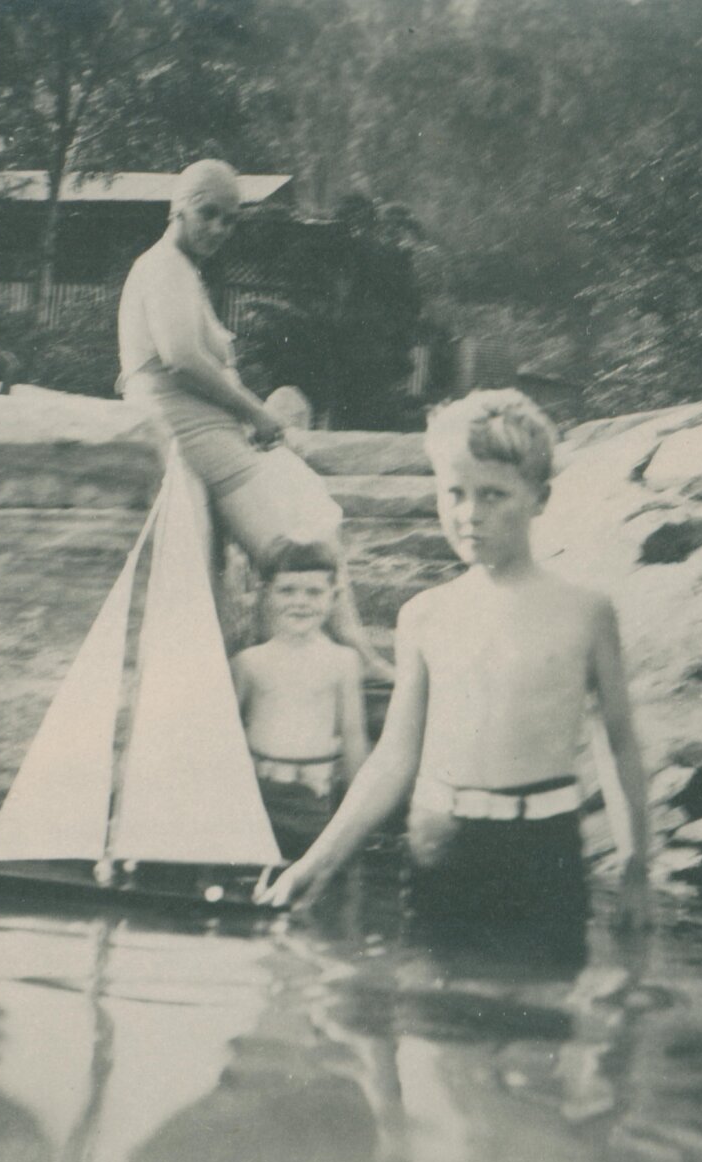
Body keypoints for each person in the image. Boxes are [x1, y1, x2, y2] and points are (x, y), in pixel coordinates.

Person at [256, 389, 650, 937]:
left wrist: (637, 865)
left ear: (540, 497)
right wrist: (317, 862)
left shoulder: (584, 612)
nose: (469, 515)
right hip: (439, 846)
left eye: (493, 495)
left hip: (541, 850)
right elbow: (393, 761)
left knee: (543, 1011)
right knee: (429, 1014)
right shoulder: (425, 616)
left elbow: (619, 742)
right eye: (455, 493)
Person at [116, 157, 391, 680]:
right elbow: (181, 357)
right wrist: (256, 413)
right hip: (192, 434)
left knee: (314, 510)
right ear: (178, 208)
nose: (219, 228)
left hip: (219, 435)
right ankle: (316, 666)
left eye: (230, 219)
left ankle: (347, 647)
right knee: (296, 553)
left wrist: (251, 423)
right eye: (208, 214)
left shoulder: (182, 272)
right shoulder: (162, 268)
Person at [232, 539, 370, 862]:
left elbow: (353, 737)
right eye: (287, 590)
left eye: (313, 592)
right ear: (266, 593)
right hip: (260, 794)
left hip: (314, 796)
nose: (300, 602)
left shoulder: (343, 662)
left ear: (333, 597)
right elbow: (228, 735)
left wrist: (356, 814)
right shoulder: (249, 662)